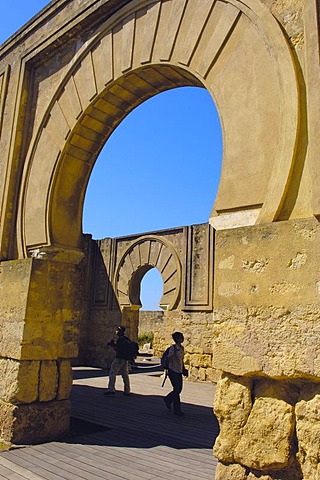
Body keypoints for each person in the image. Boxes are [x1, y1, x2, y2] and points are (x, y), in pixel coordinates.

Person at [163, 332, 188, 416]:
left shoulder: (181, 348)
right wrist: (167, 367)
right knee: (177, 389)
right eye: (181, 337)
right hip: (172, 370)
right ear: (177, 339)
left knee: (179, 389)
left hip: (179, 370)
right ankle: (177, 410)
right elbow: (168, 358)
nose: (182, 338)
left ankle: (168, 399)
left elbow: (181, 360)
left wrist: (183, 369)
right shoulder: (173, 348)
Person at [104, 326, 131, 396]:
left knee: (113, 372)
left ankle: (111, 389)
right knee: (125, 374)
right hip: (125, 359)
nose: (116, 332)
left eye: (117, 330)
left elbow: (117, 349)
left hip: (119, 358)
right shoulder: (126, 339)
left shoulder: (120, 340)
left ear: (119, 331)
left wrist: (112, 345)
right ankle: (127, 390)